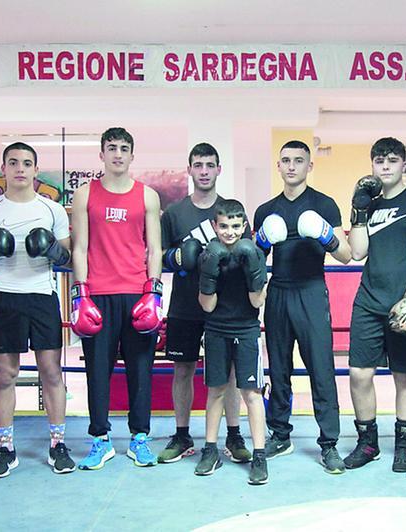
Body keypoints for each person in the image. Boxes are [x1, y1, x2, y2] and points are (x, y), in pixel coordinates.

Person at [0, 142, 75, 477]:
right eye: (14, 162)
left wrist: (52, 250)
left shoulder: (52, 210)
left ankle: (58, 445)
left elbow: (67, 257)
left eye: (27, 163)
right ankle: (5, 449)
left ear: (36, 169)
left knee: (52, 372)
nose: (20, 168)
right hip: (4, 296)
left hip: (42, 296)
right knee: (5, 375)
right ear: (3, 168)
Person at [253, 140, 352, 474]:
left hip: (311, 291)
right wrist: (260, 241)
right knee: (279, 369)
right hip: (278, 291)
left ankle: (329, 443)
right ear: (278, 166)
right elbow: (254, 259)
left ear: (310, 166)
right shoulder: (266, 210)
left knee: (321, 369)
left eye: (298, 160)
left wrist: (325, 235)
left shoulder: (324, 204)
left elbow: (346, 255)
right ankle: (280, 435)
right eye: (286, 160)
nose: (292, 166)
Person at [70, 127, 164, 470]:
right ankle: (100, 439)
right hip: (98, 294)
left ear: (132, 155)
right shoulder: (85, 194)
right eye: (112, 148)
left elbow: (155, 249)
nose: (118, 154)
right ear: (102, 154)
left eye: (124, 148)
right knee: (97, 371)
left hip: (137, 293)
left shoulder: (147, 196)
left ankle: (139, 438)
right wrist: (80, 294)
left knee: (141, 369)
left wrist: (153, 292)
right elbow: (79, 247)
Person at [158, 143, 249, 464]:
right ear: (190, 170)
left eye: (210, 165)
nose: (204, 171)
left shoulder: (231, 211)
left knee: (230, 373)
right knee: (182, 369)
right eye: (198, 165)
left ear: (219, 170)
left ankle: (234, 435)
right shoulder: (175, 213)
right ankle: (182, 434)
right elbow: (160, 256)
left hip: (225, 307)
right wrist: (176, 256)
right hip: (184, 305)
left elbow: (247, 255)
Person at [344, 137, 406, 473]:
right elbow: (358, 251)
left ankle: (404, 444)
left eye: (392, 160)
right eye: (379, 161)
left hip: (404, 301)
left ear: (404, 164)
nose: (385, 166)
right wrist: (359, 211)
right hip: (369, 300)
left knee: (404, 374)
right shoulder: (369, 203)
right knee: (359, 373)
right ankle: (368, 443)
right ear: (372, 165)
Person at [193, 200, 269, 485]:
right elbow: (207, 306)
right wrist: (209, 272)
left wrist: (253, 271)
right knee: (216, 391)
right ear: (215, 226)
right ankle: (210, 450)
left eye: (236, 226)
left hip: (247, 331)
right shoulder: (209, 255)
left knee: (252, 393)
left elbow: (257, 301)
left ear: (244, 226)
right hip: (216, 330)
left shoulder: (253, 253)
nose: (229, 232)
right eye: (224, 226)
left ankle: (259, 455)